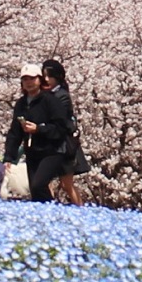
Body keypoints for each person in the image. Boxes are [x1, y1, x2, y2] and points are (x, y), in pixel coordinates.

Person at [3, 62, 71, 202]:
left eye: (32, 79)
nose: (28, 83)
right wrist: (9, 157)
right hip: (33, 151)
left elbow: (61, 127)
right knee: (35, 191)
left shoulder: (50, 100)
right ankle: (47, 216)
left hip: (52, 151)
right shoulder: (21, 104)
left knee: (38, 184)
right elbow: (15, 132)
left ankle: (53, 212)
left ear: (40, 80)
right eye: (25, 79)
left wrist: (38, 129)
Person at [41, 58, 90, 206]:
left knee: (66, 184)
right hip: (49, 144)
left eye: (50, 76)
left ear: (58, 77)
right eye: (44, 76)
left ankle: (81, 210)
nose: (46, 80)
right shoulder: (45, 95)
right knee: (44, 181)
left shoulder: (62, 95)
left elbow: (58, 119)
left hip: (64, 145)